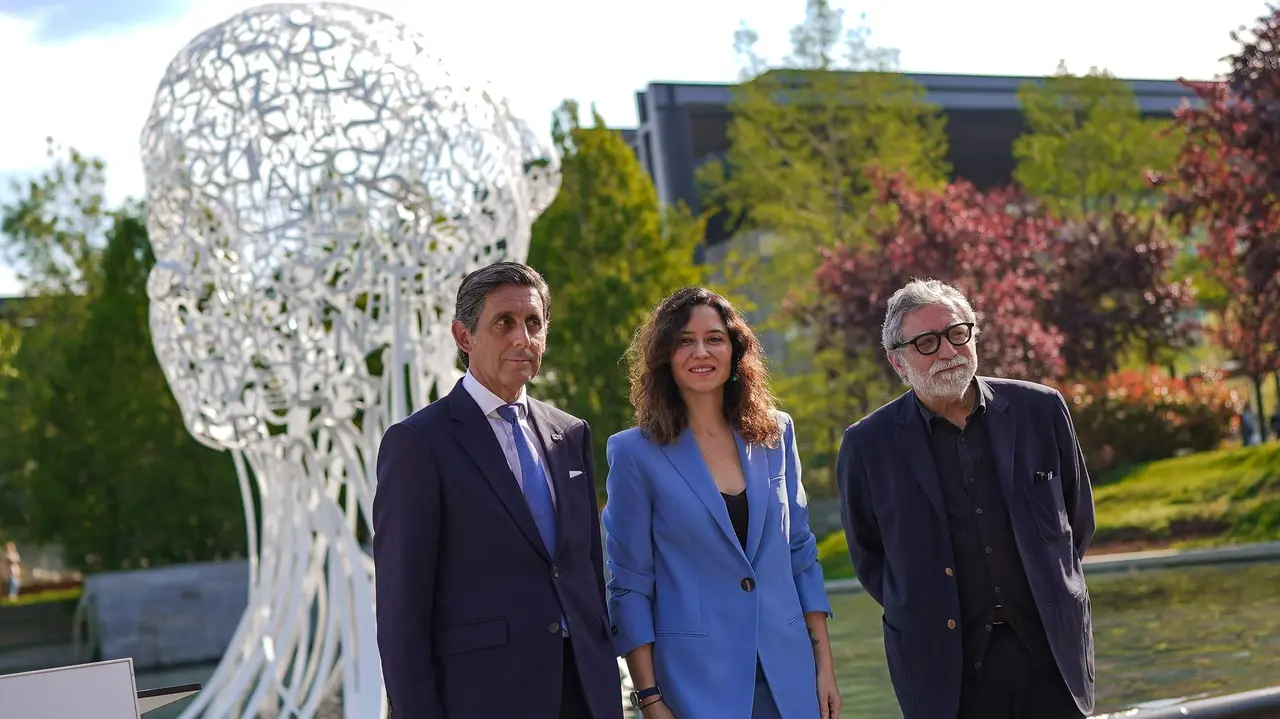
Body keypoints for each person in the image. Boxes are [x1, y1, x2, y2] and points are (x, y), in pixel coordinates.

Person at [835, 278, 1096, 719]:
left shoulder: (1041, 410)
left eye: (958, 333)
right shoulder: (866, 445)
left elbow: (1077, 521)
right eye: (927, 342)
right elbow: (870, 558)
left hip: (1053, 656)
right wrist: (927, 604)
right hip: (944, 672)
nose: (948, 351)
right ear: (898, 362)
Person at [373, 262, 622, 719]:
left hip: (585, 693)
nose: (522, 338)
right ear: (464, 337)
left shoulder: (570, 434)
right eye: (503, 322)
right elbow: (400, 614)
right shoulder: (418, 444)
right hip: (485, 698)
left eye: (534, 323)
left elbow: (585, 569)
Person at [603, 287, 841, 719]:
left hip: (791, 678)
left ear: (735, 350)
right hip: (694, 687)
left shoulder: (776, 434)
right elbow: (629, 585)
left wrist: (825, 668)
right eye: (684, 340)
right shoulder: (634, 454)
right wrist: (650, 700)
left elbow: (801, 555)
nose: (701, 351)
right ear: (664, 357)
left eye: (714, 338)